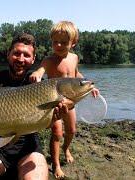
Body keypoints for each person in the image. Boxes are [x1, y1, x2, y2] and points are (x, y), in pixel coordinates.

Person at [0, 33, 74, 180]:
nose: (21, 59)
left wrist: (55, 117)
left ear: (33, 59)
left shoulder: (38, 83)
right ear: (8, 54)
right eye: (16, 53)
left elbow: (47, 125)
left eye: (27, 55)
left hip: (30, 150)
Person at [29, 21, 99, 179]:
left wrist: (90, 86)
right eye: (55, 42)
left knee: (72, 130)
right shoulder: (49, 60)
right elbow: (41, 70)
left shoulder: (74, 58)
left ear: (73, 43)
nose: (58, 45)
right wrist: (37, 74)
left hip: (71, 102)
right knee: (56, 133)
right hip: (55, 104)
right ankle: (56, 164)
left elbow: (77, 75)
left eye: (64, 42)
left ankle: (66, 149)